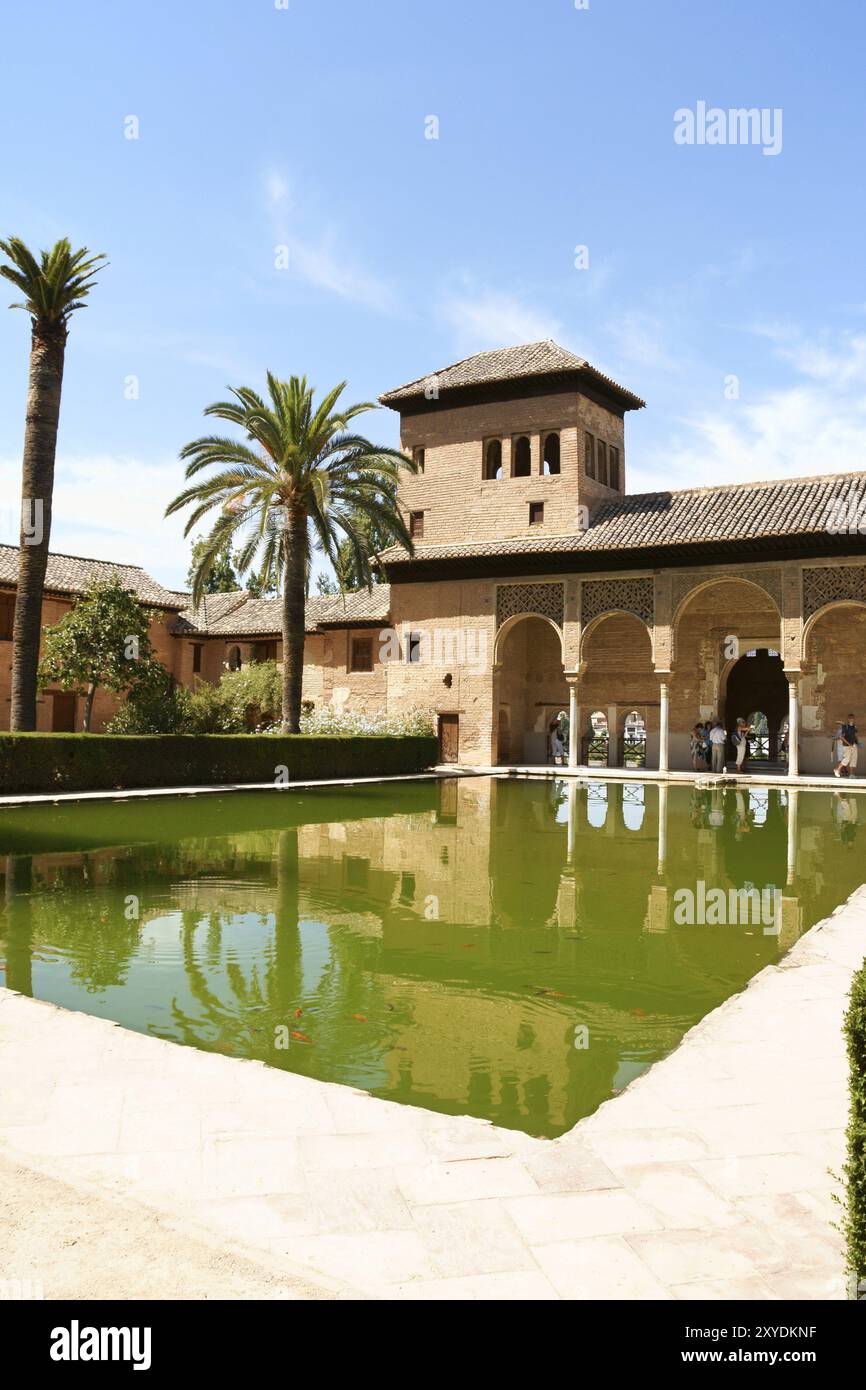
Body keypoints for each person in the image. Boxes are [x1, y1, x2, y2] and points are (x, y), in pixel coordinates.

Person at [835, 713, 859, 778]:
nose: (851, 719)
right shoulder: (845, 727)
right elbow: (841, 737)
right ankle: (837, 769)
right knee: (846, 759)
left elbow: (855, 736)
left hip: (854, 745)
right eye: (850, 718)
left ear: (854, 719)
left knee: (853, 759)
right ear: (848, 719)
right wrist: (848, 744)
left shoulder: (855, 727)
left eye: (853, 718)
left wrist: (857, 743)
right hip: (846, 746)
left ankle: (851, 774)